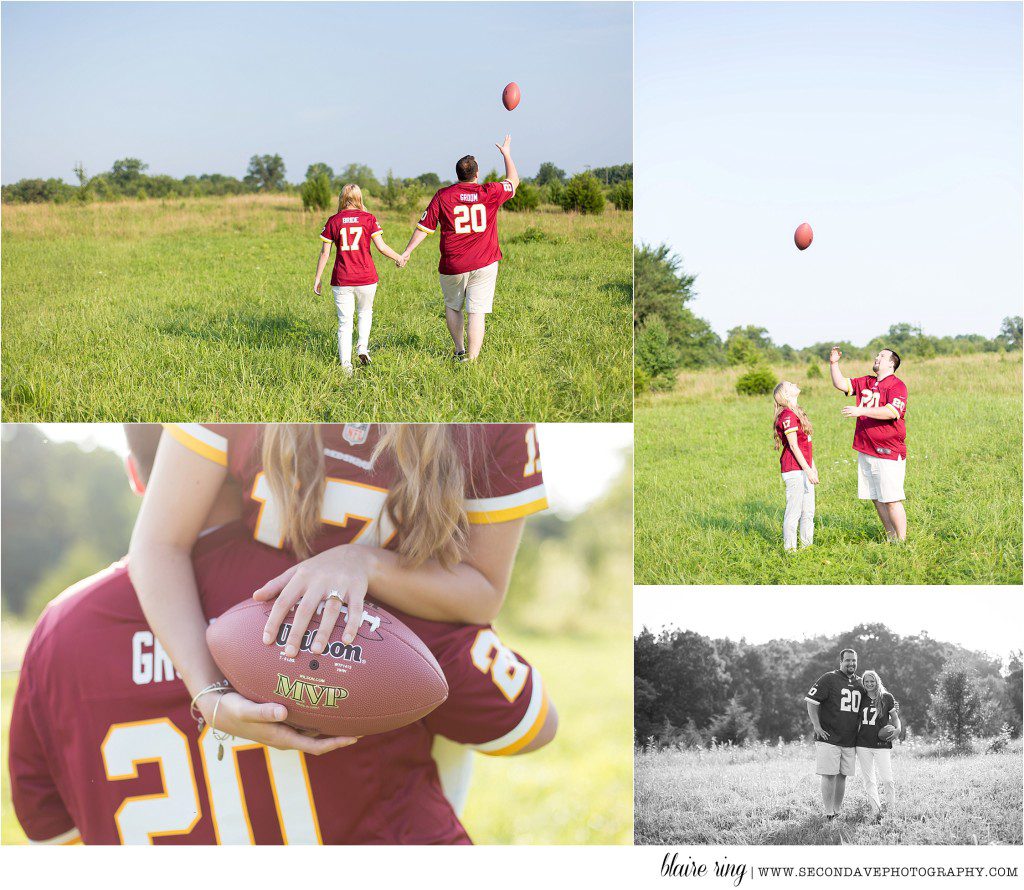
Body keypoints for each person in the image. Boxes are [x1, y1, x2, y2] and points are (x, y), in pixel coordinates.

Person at [9, 425, 556, 844]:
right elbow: (538, 725)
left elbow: (53, 832)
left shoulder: (61, 627)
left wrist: (363, 567)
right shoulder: (395, 635)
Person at [127, 423, 548, 766]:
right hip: (262, 625)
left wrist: (362, 564)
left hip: (401, 646)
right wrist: (210, 695)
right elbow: (159, 543)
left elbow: (484, 590)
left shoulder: (493, 428)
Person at [400, 136, 520, 361]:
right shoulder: (489, 192)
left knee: (453, 307)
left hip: (453, 264)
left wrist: (408, 251)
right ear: (477, 174)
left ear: (457, 174)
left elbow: (424, 227)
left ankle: (459, 350)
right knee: (477, 311)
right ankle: (472, 360)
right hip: (484, 262)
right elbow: (513, 181)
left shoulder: (443, 195)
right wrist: (506, 153)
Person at [314, 185, 407, 375]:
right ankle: (362, 348)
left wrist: (317, 278)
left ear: (341, 198)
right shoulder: (369, 218)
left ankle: (346, 364)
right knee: (365, 312)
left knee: (344, 322)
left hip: (342, 278)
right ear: (359, 198)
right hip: (366, 277)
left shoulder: (333, 221)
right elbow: (381, 247)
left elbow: (325, 253)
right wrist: (398, 257)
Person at [829, 347, 909, 541]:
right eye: (877, 355)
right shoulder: (867, 381)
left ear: (891, 363)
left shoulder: (897, 386)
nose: (877, 357)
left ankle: (903, 541)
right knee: (876, 497)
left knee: (891, 499)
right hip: (866, 450)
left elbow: (891, 412)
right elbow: (840, 383)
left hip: (888, 451)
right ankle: (891, 538)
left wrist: (860, 411)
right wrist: (834, 363)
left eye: (882, 356)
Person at [805, 648, 865, 822]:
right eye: (847, 660)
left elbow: (876, 699)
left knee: (842, 776)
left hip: (849, 738)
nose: (851, 663)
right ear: (841, 661)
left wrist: (893, 706)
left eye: (854, 660)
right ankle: (829, 812)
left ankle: (837, 810)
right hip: (829, 737)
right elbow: (811, 701)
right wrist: (816, 725)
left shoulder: (860, 683)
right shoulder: (829, 678)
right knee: (829, 774)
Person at [772, 381, 818, 552]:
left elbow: (806, 445)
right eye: (790, 384)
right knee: (794, 513)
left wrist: (813, 467)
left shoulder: (797, 413)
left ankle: (807, 549)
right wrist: (808, 470)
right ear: (786, 394)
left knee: (808, 512)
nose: (795, 384)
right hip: (794, 469)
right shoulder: (788, 416)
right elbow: (793, 446)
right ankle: (790, 551)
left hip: (804, 468)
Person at [856, 669, 900, 821]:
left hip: (881, 743)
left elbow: (895, 717)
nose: (869, 684)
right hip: (862, 744)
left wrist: (898, 729)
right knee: (869, 780)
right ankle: (876, 811)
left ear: (877, 682)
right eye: (866, 681)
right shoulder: (860, 698)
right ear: (863, 683)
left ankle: (891, 809)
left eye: (872, 681)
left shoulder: (886, 697)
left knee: (887, 779)